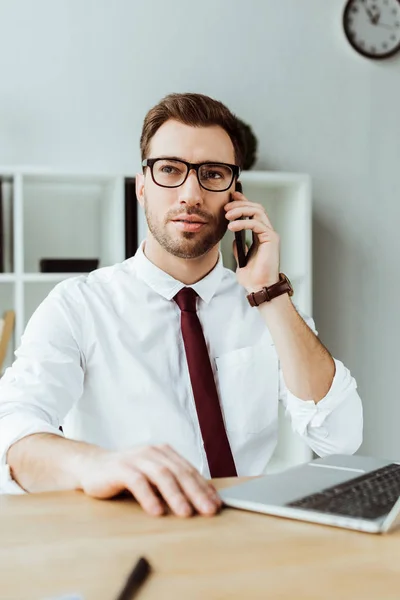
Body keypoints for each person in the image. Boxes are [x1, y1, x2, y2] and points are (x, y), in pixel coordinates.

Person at [0, 93, 362, 518]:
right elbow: (13, 431)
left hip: (249, 536)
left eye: (212, 174)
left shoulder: (266, 304)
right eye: (170, 169)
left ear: (235, 195)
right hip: (131, 535)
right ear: (141, 188)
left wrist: (269, 292)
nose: (190, 193)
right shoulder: (78, 305)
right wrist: (97, 464)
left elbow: (340, 438)